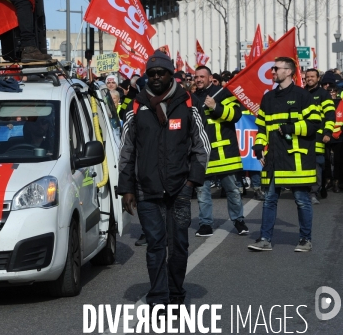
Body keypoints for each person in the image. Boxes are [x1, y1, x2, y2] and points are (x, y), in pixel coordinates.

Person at [118, 50, 210, 310]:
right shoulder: (136, 105)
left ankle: (176, 293)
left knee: (179, 245)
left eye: (162, 73)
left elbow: (202, 146)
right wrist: (126, 188)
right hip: (146, 190)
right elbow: (127, 149)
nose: (156, 77)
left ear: (171, 75)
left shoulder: (188, 102)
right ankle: (158, 297)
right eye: (152, 73)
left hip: (180, 188)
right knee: (155, 245)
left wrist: (192, 182)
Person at [248, 57, 321, 252]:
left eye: (276, 68)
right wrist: (258, 146)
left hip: (296, 158)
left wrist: (292, 128)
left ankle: (305, 239)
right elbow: (262, 126)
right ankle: (265, 239)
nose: (272, 72)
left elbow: (315, 123)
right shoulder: (268, 98)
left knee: (301, 200)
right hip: (274, 158)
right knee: (269, 199)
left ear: (289, 72)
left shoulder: (302, 96)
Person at [193, 66, 249, 237]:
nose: (199, 80)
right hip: (203, 153)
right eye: (196, 77)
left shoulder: (223, 93)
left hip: (225, 153)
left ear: (210, 77)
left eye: (202, 76)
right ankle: (205, 224)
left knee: (232, 190)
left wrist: (216, 106)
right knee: (202, 192)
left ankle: (239, 221)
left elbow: (236, 115)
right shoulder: (193, 98)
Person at [304, 68, 335, 204]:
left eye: (312, 76)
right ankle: (308, 190)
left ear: (318, 79)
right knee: (305, 166)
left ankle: (314, 192)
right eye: (307, 76)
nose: (310, 78)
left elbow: (330, 115)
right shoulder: (301, 93)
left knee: (318, 165)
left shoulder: (323, 94)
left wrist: (327, 132)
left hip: (318, 138)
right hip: (303, 137)